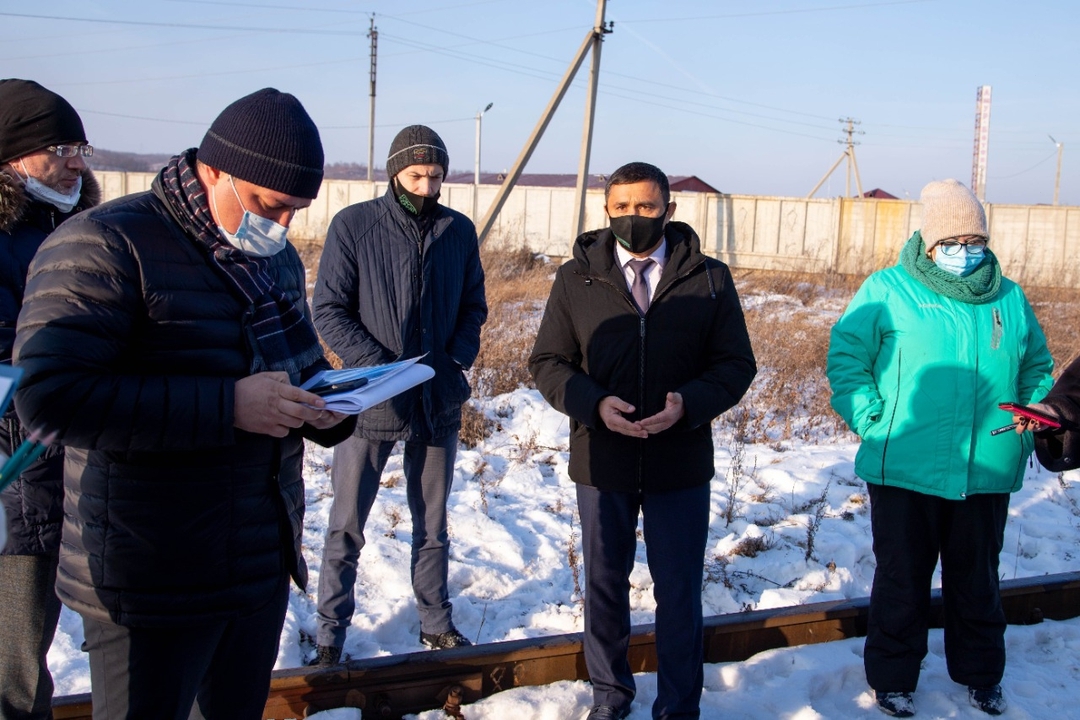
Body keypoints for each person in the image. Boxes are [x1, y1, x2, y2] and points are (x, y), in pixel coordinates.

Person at [12, 88, 353, 720]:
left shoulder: (269, 259)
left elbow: (298, 365)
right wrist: (226, 406)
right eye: (270, 207)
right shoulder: (106, 242)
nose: (282, 229)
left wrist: (331, 405)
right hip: (148, 574)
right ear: (216, 170)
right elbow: (49, 398)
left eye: (296, 213)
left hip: (253, 560)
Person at [529, 161, 756, 720]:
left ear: (669, 211)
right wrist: (593, 403)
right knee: (605, 586)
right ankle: (610, 696)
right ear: (607, 211)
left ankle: (678, 706)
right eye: (622, 207)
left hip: (679, 459)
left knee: (678, 592)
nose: (634, 218)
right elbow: (548, 362)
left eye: (647, 207)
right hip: (602, 459)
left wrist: (689, 404)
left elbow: (735, 364)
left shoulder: (709, 278)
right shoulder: (574, 278)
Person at [826, 179, 1054, 718]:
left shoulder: (1009, 297)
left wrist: (1029, 415)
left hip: (987, 465)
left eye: (975, 238)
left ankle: (981, 675)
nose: (965, 249)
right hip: (905, 464)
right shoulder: (889, 289)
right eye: (952, 240)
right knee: (902, 580)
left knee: (977, 582)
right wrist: (872, 419)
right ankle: (894, 678)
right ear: (929, 242)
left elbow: (1037, 368)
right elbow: (847, 360)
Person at [312, 124, 487, 662]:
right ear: (395, 172)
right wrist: (380, 369)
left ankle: (436, 622)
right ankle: (328, 636)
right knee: (347, 523)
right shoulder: (355, 225)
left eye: (436, 176)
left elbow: (473, 308)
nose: (428, 186)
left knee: (432, 523)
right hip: (371, 401)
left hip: (437, 398)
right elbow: (329, 310)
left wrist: (454, 357)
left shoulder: (457, 231)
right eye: (417, 175)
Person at [0, 78, 99, 720]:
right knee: (15, 661)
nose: (75, 161)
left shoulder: (94, 228)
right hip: (20, 472)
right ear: (10, 159)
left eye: (80, 146)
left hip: (90, 467)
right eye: (58, 147)